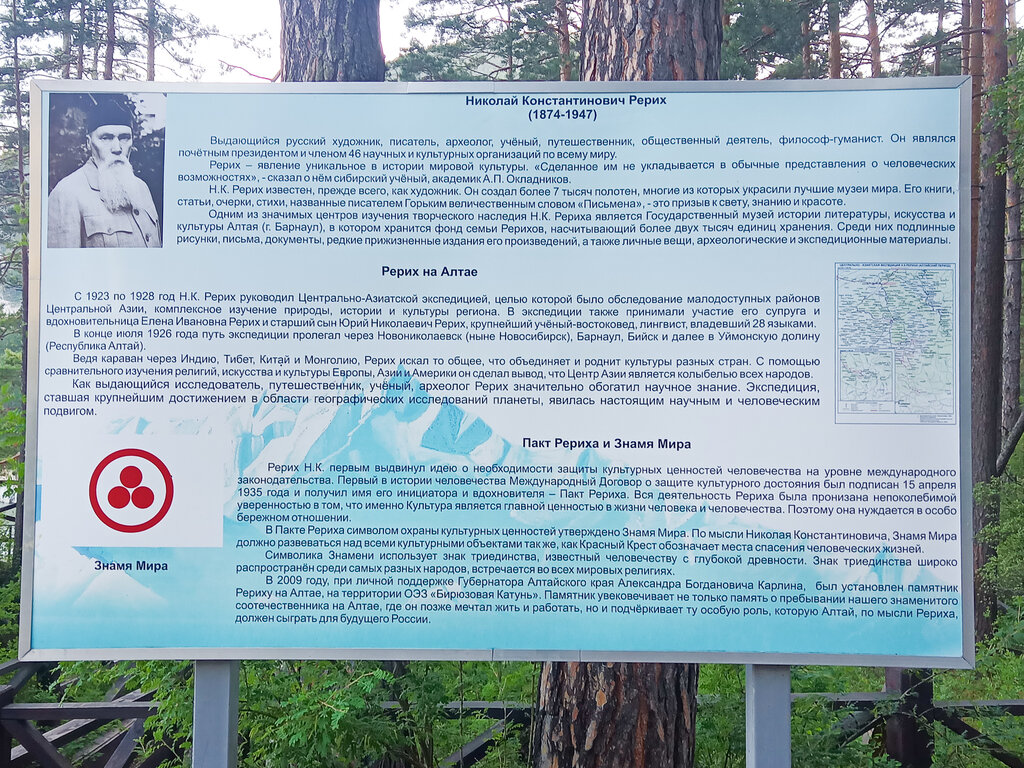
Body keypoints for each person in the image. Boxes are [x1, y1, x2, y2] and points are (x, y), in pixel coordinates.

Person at [47, 96, 161, 248]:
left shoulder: (142, 188)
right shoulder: (66, 193)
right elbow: (63, 261)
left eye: (124, 138)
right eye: (106, 138)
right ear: (89, 143)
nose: (117, 148)